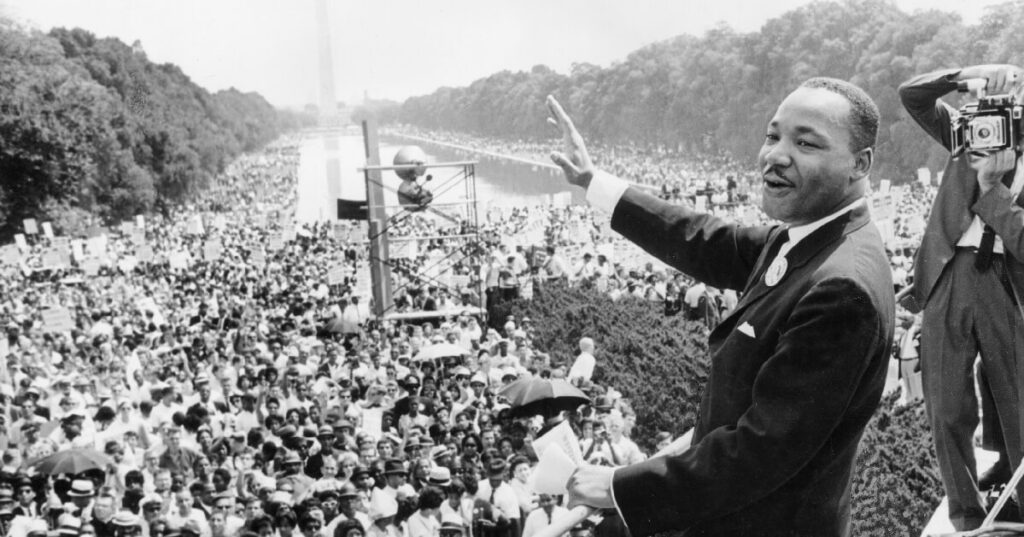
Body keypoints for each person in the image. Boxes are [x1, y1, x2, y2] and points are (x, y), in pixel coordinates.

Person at [547, 76, 895, 536]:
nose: (775, 154)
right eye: (773, 135)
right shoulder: (809, 237)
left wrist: (616, 486)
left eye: (806, 143)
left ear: (859, 164)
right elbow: (703, 240)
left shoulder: (840, 288)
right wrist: (595, 183)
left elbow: (761, 452)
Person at [898, 63, 1024, 529]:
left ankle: (1019, 501)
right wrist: (969, 75)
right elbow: (912, 95)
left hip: (1005, 282)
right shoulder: (969, 130)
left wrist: (992, 188)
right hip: (949, 273)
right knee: (947, 403)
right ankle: (966, 512)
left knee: (1019, 402)